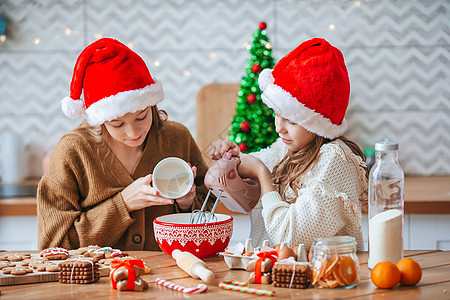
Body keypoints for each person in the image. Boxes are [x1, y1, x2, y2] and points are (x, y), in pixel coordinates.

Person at [37, 38, 210, 251]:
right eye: (117, 124)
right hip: (94, 282)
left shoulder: (177, 138)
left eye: (141, 116)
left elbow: (207, 208)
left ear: (152, 105)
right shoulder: (73, 152)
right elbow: (53, 245)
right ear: (100, 120)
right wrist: (122, 205)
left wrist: (186, 205)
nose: (133, 132)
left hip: (169, 277)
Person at [210, 38, 368, 251]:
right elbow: (247, 175)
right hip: (275, 278)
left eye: (292, 120)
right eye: (276, 113)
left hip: (324, 279)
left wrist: (261, 172)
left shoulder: (335, 161)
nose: (279, 128)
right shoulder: (285, 149)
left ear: (318, 123)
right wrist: (232, 158)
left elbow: (288, 239)